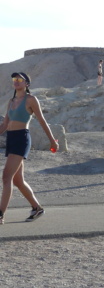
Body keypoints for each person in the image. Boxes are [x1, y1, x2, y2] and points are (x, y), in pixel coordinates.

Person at [0, 72, 59, 224]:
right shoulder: (11, 101)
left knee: (6, 177)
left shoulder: (31, 99)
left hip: (22, 139)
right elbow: (5, 125)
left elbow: (42, 120)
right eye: (14, 79)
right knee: (18, 181)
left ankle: (0, 214)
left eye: (20, 79)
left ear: (26, 83)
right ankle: (37, 208)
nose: (16, 82)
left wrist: (53, 141)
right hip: (11, 140)